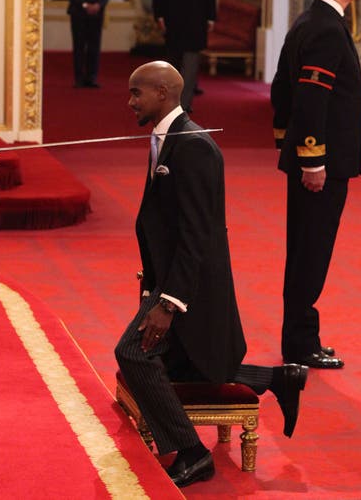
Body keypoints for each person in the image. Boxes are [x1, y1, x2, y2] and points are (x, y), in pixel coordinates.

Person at [115, 61, 308, 488]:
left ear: (163, 93)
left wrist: (169, 303)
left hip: (189, 289)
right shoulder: (169, 139)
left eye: (136, 93)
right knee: (183, 363)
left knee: (133, 353)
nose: (129, 102)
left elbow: (197, 233)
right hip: (166, 280)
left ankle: (192, 452)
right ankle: (277, 378)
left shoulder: (194, 146)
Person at [271, 0, 361, 369]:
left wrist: (287, 144)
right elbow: (311, 99)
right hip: (322, 164)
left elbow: (281, 90)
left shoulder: (312, 20)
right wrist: (312, 160)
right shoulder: (325, 26)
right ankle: (300, 345)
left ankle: (302, 337)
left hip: (316, 159)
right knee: (311, 251)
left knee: (306, 250)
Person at [152, 0, 245, 111]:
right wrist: (159, 14)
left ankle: (183, 105)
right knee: (174, 60)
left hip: (197, 13)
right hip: (172, 12)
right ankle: (170, 101)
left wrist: (211, 16)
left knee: (191, 60)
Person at [66, 0, 112, 88]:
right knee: (79, 45)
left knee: (94, 45)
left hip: (98, 10)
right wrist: (84, 4)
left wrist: (100, 4)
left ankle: (92, 78)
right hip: (78, 9)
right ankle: (79, 78)